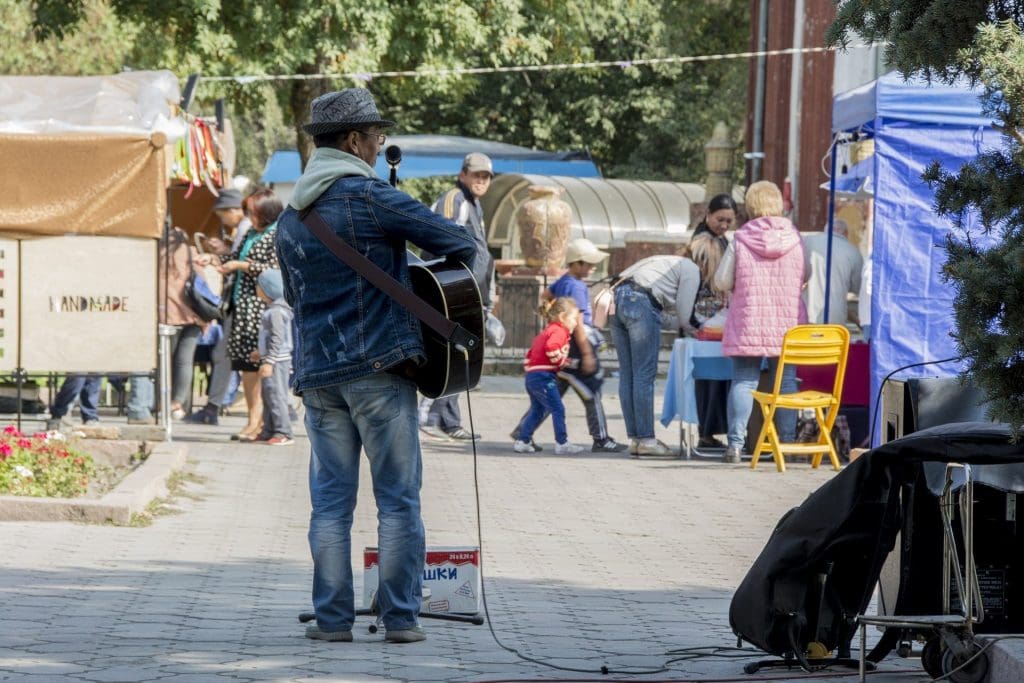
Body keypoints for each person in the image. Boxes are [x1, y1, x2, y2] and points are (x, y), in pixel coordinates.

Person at [275, 88, 477, 645]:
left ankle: (333, 620)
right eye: (376, 137)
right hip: (381, 371)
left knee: (330, 506)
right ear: (354, 141)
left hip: (317, 376)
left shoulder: (291, 219)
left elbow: (296, 297)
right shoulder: (370, 197)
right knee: (397, 500)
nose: (378, 146)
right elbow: (463, 244)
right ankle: (401, 618)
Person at [714, 181, 806, 464]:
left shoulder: (740, 239)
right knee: (786, 381)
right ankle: (787, 444)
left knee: (744, 381)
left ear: (751, 205)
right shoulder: (795, 238)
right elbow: (807, 273)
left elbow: (722, 280)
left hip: (749, 319)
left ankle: (736, 446)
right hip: (787, 321)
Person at [510, 238, 627, 453]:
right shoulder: (577, 287)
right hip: (575, 348)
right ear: (575, 264)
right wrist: (587, 354)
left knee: (551, 397)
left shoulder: (563, 281)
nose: (592, 267)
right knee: (591, 392)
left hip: (564, 347)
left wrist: (553, 321)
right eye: (588, 263)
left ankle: (522, 431)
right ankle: (601, 438)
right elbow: (579, 324)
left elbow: (546, 295)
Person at [417, 152, 496, 442]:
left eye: (486, 176)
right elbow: (440, 240)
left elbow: (482, 253)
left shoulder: (475, 205)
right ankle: (425, 417)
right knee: (446, 354)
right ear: (462, 174)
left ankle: (449, 421)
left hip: (469, 293)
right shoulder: (454, 199)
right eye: (476, 175)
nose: (481, 181)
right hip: (451, 291)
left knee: (460, 356)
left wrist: (488, 293)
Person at [610, 254, 700, 457]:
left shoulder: (661, 261)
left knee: (628, 373)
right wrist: (700, 327)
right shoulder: (692, 269)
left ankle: (636, 438)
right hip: (640, 300)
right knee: (644, 373)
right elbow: (684, 317)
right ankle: (647, 440)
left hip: (616, 300)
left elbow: (659, 317)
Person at [215, 189, 282, 441]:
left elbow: (274, 270)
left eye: (251, 212)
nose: (247, 217)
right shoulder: (252, 233)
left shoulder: (276, 234)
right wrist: (214, 258)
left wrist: (241, 266)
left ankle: (261, 421)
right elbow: (234, 256)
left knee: (258, 364)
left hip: (260, 307)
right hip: (241, 306)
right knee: (245, 367)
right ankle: (252, 418)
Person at [184, 188, 250, 426]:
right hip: (238, 303)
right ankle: (215, 407)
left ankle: (214, 408)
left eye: (223, 215)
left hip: (241, 303)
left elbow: (243, 260)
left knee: (229, 356)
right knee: (227, 356)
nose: (223, 221)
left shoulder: (246, 228)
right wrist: (218, 255)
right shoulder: (243, 229)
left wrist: (223, 258)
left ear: (235, 210)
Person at [687, 194, 737, 447]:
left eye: (729, 221)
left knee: (720, 378)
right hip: (702, 318)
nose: (725, 225)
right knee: (708, 380)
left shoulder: (722, 241)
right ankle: (706, 432)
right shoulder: (701, 243)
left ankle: (712, 430)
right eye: (720, 219)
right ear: (708, 215)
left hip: (720, 317)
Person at [513, 298, 586, 455]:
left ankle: (523, 441)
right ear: (562, 317)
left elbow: (529, 355)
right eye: (573, 319)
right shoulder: (559, 331)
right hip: (544, 377)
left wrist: (533, 370)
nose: (576, 323)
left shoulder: (547, 330)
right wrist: (560, 362)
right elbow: (551, 347)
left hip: (533, 376)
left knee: (537, 410)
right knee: (558, 408)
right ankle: (562, 443)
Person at [249, 269, 294, 446]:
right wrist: (260, 352)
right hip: (272, 359)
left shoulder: (276, 312)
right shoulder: (272, 309)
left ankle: (284, 431)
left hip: (277, 361)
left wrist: (269, 361)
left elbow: (277, 337)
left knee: (276, 395)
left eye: (259, 285)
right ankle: (269, 430)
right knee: (268, 395)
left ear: (269, 289)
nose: (256, 288)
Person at [802, 218, 863, 325]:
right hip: (834, 319)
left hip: (804, 314)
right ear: (845, 233)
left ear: (825, 230)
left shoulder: (806, 241)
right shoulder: (853, 251)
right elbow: (858, 287)